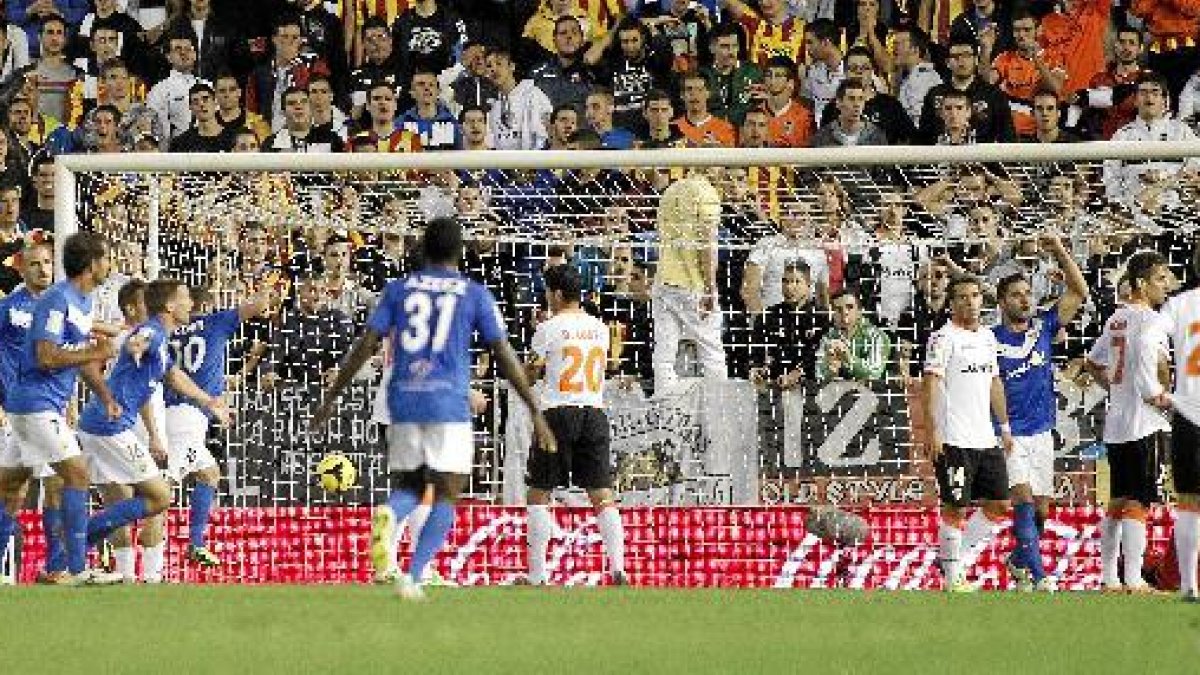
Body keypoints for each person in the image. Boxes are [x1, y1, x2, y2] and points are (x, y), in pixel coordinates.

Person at [313, 217, 555, 600]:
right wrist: (534, 408)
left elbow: (366, 344)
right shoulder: (472, 293)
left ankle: (391, 516)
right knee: (446, 492)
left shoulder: (398, 290)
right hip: (446, 402)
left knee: (411, 485)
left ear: (424, 248)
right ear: (460, 251)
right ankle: (413, 575)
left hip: (401, 399)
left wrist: (332, 396)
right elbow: (504, 355)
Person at [77, 279, 231, 582]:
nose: (192, 305)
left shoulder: (162, 344)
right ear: (170, 306)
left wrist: (209, 402)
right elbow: (140, 339)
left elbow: (172, 377)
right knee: (158, 496)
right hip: (109, 427)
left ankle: (94, 549)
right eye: (186, 299)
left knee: (156, 497)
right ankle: (83, 540)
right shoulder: (152, 333)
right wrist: (137, 345)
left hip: (107, 427)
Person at [0, 231, 124, 585]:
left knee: (9, 490)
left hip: (35, 407)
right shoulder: (55, 300)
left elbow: (80, 358)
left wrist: (104, 394)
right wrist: (98, 352)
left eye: (46, 262)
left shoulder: (80, 302)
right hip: (35, 405)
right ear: (91, 264)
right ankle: (75, 569)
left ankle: (55, 568)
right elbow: (47, 355)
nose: (110, 265)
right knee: (76, 475)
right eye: (106, 259)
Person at [992, 234, 1088, 591]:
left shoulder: (1043, 327)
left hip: (1043, 431)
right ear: (1002, 302)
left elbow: (1078, 292)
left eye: (1028, 293)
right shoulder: (992, 339)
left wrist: (1060, 250)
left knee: (1042, 511)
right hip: (1009, 434)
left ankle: (1018, 561)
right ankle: (1041, 576)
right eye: (1017, 294)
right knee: (1024, 502)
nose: (1025, 299)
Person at [524, 264, 626, 586]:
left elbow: (529, 376)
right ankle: (618, 568)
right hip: (594, 412)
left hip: (557, 413)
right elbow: (607, 366)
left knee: (539, 492)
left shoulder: (549, 328)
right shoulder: (598, 328)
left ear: (555, 293)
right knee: (602, 495)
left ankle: (538, 575)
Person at [1085, 250, 1174, 592]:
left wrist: (1115, 388)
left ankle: (1109, 577)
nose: (1165, 286)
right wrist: (1164, 397)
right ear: (1141, 283)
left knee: (1118, 500)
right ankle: (1134, 579)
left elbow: (1092, 362)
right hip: (1146, 422)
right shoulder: (1153, 321)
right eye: (1159, 279)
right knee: (1140, 500)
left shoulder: (1116, 320)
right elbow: (1161, 370)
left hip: (1117, 422)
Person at [164, 284, 270, 567]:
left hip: (169, 413)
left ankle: (196, 544)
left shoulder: (168, 331)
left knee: (210, 474)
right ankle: (104, 537)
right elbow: (259, 305)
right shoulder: (214, 323)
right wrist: (266, 285)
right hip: (187, 418)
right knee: (161, 491)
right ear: (205, 306)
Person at [922, 274, 1015, 592]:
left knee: (1001, 504)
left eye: (975, 295)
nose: (970, 302)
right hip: (954, 438)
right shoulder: (943, 338)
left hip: (985, 437)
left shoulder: (988, 338)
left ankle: (951, 558)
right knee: (956, 508)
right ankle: (952, 578)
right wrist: (933, 429)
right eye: (962, 297)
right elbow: (931, 383)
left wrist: (1004, 427)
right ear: (951, 303)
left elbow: (994, 382)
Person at [0, 240, 66, 582]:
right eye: (35, 264)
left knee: (55, 483)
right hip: (17, 410)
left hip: (48, 408)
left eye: (46, 263)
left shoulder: (59, 308)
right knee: (16, 492)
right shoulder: (10, 308)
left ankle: (55, 568)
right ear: (21, 269)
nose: (42, 269)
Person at [651, 173, 726, 395]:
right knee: (711, 351)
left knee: (664, 353)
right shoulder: (707, 194)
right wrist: (710, 288)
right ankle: (718, 411)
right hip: (692, 284)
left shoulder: (670, 192)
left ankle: (666, 413)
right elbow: (707, 243)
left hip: (664, 281)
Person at [1158, 262, 1200, 602]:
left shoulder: (1179, 303)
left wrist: (1158, 386)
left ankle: (1188, 584)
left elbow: (1150, 340)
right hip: (1188, 414)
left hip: (1189, 413)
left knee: (1189, 500)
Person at [815, 287, 891, 384]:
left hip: (875, 395)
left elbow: (874, 373)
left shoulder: (877, 336)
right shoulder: (828, 337)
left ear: (859, 311)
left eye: (850, 307)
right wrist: (830, 371)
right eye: (838, 309)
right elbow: (818, 374)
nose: (844, 313)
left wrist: (849, 358)